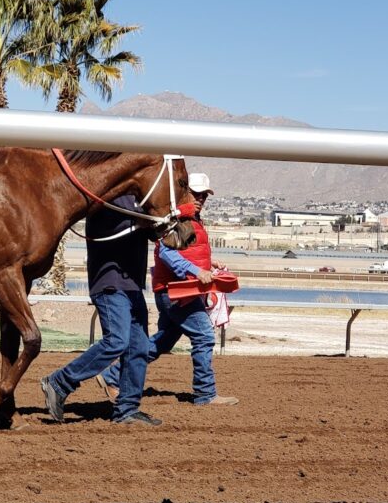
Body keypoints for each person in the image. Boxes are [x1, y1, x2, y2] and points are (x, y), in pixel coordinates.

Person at [96, 172, 239, 406]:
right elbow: (166, 253)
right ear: (183, 192)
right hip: (178, 293)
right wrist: (197, 271)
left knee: (161, 342)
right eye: (196, 193)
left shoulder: (191, 219)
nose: (201, 198)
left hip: (178, 291)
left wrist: (208, 264)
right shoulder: (176, 219)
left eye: (204, 195)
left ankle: (112, 375)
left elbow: (185, 252)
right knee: (203, 335)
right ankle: (205, 393)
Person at [40, 193, 161, 426]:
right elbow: (105, 230)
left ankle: (127, 409)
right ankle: (59, 382)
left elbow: (152, 233)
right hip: (108, 282)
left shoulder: (141, 199)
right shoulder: (105, 195)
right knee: (117, 340)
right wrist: (140, 221)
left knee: (140, 347)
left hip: (133, 285)